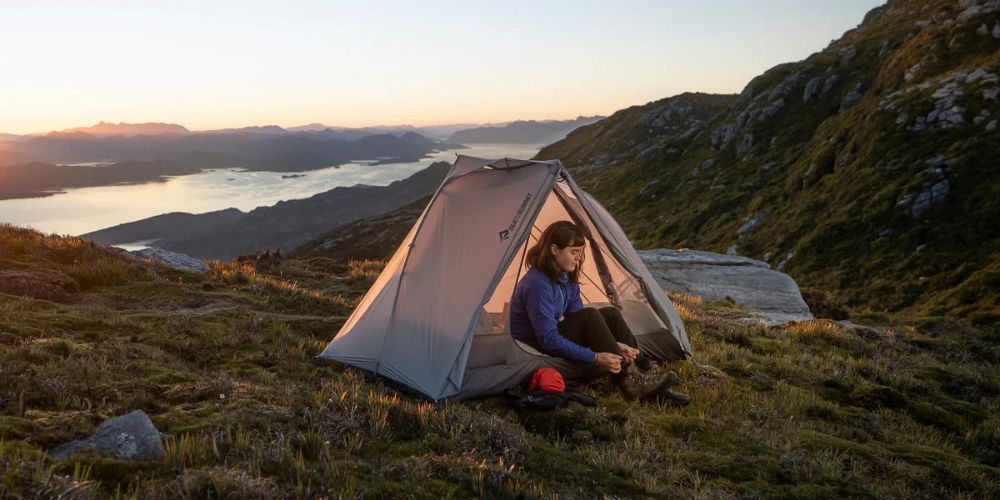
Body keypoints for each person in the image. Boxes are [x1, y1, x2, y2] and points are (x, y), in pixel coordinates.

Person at [509, 220, 684, 401]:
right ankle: (630, 382)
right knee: (590, 315)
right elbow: (547, 338)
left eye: (580, 252)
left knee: (610, 314)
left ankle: (643, 370)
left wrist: (615, 343)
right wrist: (595, 357)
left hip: (549, 333)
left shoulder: (566, 276)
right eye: (573, 252)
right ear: (554, 250)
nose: (578, 257)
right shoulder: (537, 283)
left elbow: (575, 315)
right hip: (533, 341)